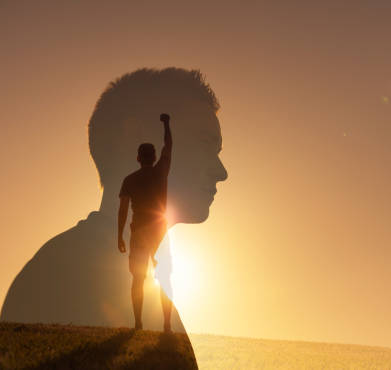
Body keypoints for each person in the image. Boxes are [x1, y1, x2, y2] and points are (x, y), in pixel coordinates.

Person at [1, 68, 227, 351]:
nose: (221, 172)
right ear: (137, 136)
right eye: (205, 144)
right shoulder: (59, 277)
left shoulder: (150, 293)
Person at [118, 113, 173, 332]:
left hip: (139, 230)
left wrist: (119, 235)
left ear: (138, 158)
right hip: (160, 229)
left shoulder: (130, 180)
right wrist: (167, 124)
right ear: (153, 157)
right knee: (164, 277)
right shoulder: (161, 172)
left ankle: (138, 323)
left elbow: (122, 210)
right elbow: (168, 146)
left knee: (138, 278)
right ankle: (167, 325)